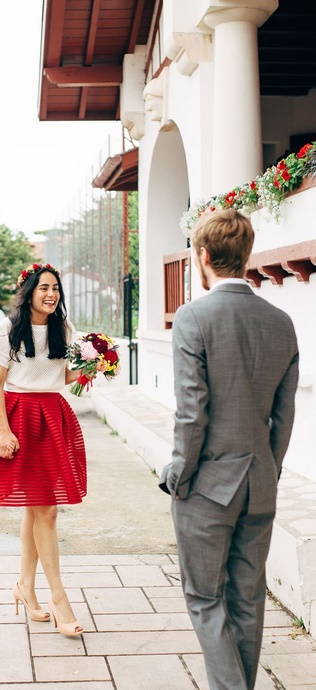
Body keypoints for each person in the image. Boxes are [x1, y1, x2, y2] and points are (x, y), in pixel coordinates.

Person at [159, 209, 299, 690]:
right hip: (259, 479)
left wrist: (178, 473)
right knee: (246, 597)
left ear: (202, 256)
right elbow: (285, 416)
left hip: (207, 483)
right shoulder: (281, 322)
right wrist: (270, 470)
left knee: (203, 596)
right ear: (246, 255)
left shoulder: (193, 317)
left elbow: (191, 412)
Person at [0, 263, 87, 637]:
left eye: (56, 288)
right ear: (29, 291)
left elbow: (62, 375)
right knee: (47, 510)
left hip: (52, 416)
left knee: (39, 508)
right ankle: (59, 598)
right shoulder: (8, 329)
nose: (51, 294)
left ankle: (25, 587)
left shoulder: (63, 328)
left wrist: (95, 366)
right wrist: (4, 434)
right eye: (44, 287)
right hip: (18, 418)